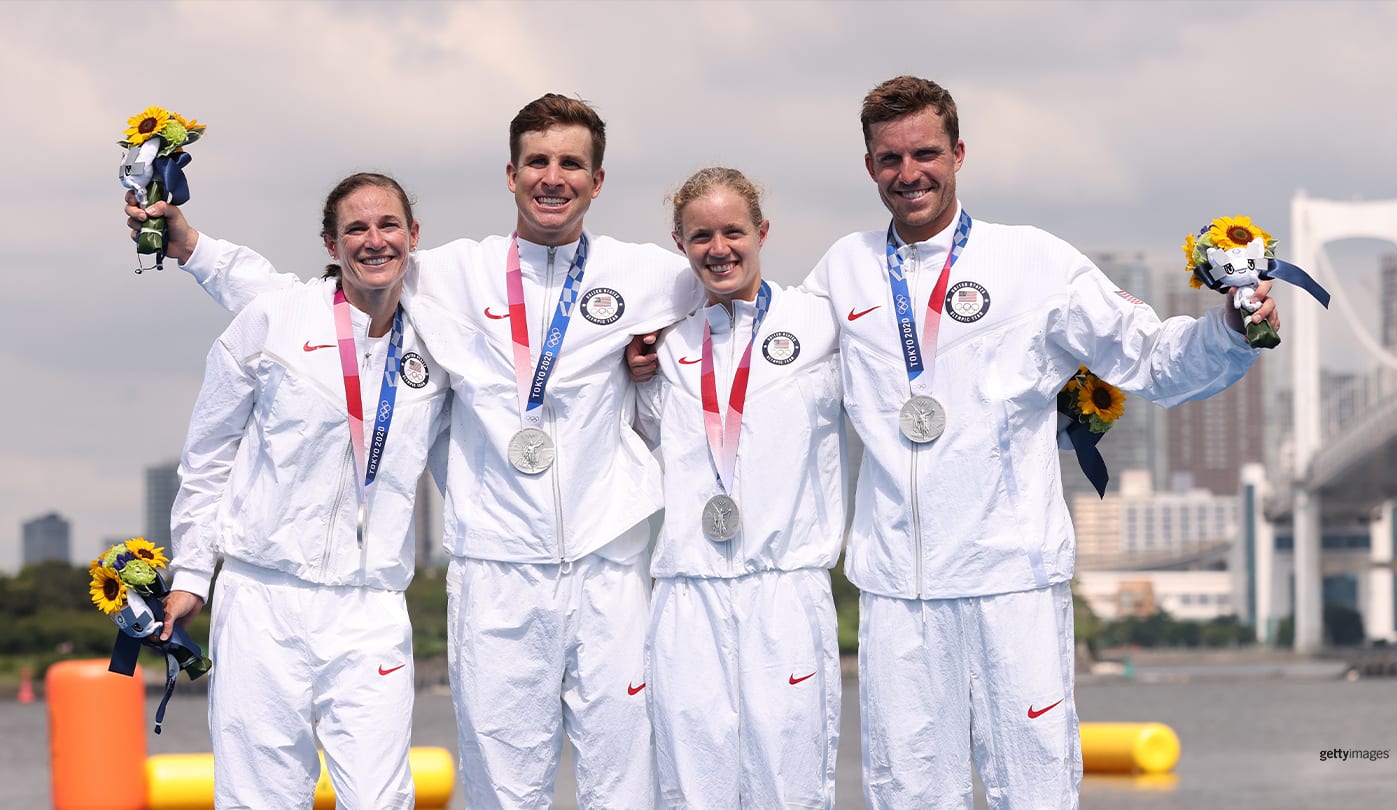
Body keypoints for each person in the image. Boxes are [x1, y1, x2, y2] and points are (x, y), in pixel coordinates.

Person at [129, 95, 703, 808]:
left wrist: (650, 364)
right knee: (500, 784)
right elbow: (300, 301)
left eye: (570, 163)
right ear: (511, 173)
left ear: (597, 178)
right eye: (537, 162)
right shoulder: (446, 276)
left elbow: (734, 287)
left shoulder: (654, 276)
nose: (553, 177)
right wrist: (194, 249)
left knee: (625, 778)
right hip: (493, 567)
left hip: (608, 560)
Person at [800, 76, 1281, 809]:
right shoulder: (842, 271)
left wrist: (1226, 329)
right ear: (869, 167)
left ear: (959, 153)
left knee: (1034, 788)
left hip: (1012, 581)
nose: (909, 173)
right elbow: (777, 374)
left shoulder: (1034, 262)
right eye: (890, 159)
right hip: (898, 589)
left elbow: (1147, 356)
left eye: (925, 152)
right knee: (905, 793)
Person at [161, 172, 451, 808]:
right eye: (355, 229)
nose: (374, 241)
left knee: (382, 800)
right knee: (257, 798)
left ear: (413, 236)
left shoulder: (441, 336)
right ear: (330, 242)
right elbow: (208, 457)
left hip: (371, 605)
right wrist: (189, 574)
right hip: (262, 596)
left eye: (388, 226)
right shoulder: (275, 319)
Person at [633, 168, 844, 807]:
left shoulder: (823, 323)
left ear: (763, 232)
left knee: (791, 784)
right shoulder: (662, 340)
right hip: (685, 591)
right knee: (690, 787)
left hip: (786, 590)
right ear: (679, 243)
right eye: (701, 236)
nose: (718, 248)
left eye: (733, 231)